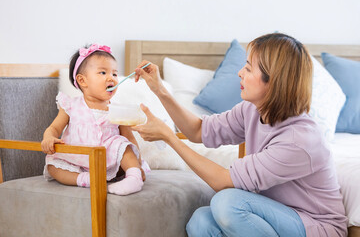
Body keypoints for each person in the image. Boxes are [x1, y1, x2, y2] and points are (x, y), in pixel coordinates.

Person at [132, 33, 348, 236]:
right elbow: (198, 130)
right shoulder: (253, 110)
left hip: (316, 226)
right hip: (274, 215)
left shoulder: (299, 140)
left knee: (228, 203)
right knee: (201, 221)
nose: (240, 73)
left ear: (274, 81)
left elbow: (225, 182)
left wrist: (170, 137)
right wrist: (159, 90)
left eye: (248, 68)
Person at [41, 43, 146, 196]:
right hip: (76, 159)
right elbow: (54, 128)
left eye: (114, 74)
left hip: (108, 162)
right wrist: (48, 137)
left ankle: (134, 177)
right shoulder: (70, 105)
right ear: (83, 81)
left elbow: (129, 138)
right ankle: (85, 179)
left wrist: (138, 165)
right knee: (52, 165)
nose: (111, 78)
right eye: (103, 72)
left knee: (124, 146)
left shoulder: (118, 110)